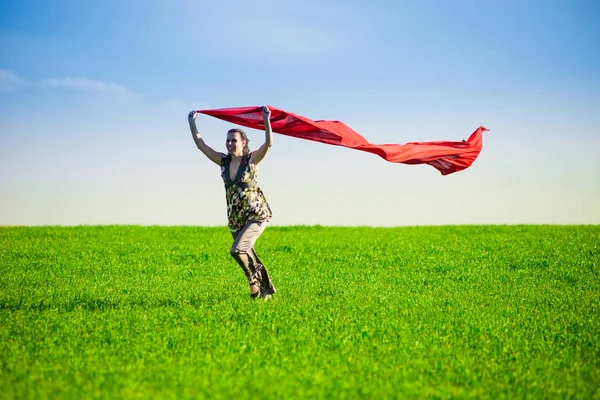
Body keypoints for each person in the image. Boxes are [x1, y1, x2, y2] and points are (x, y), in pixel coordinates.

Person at [188, 106, 276, 300]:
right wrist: (192, 122)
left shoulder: (251, 159)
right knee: (248, 253)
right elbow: (202, 146)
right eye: (227, 140)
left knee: (237, 250)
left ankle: (254, 284)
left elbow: (268, 144)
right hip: (236, 218)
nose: (229, 143)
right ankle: (266, 291)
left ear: (243, 142)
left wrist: (265, 119)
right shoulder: (223, 161)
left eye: (233, 140)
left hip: (256, 215)